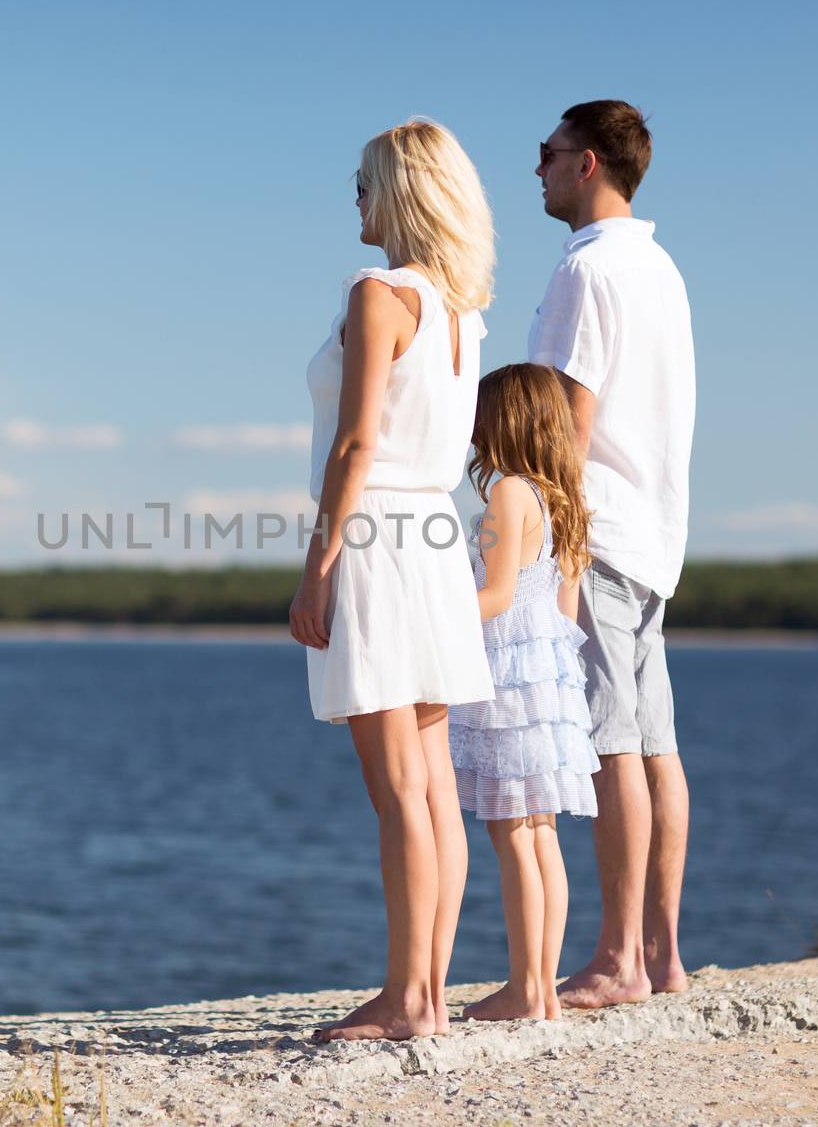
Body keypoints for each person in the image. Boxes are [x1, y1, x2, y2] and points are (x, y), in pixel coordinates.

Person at [290, 118, 496, 1042]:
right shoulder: (463, 314)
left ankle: (408, 999)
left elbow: (356, 440)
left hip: (378, 539)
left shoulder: (380, 295)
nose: (357, 200)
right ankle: (431, 992)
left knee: (397, 791)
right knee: (433, 786)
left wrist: (317, 565)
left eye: (366, 184)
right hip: (437, 541)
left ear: (403, 193)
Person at [527, 100, 696, 1008]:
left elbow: (569, 419)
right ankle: (663, 957)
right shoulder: (662, 269)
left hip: (596, 530)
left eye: (547, 152)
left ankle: (618, 960)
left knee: (610, 743)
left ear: (587, 163)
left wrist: (548, 540)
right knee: (655, 744)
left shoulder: (588, 272)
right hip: (655, 533)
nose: (537, 168)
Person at [451, 362, 601, 1022]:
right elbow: (564, 609)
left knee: (513, 834)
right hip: (552, 681)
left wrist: (432, 612)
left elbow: (496, 594)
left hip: (510, 676)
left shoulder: (510, 492)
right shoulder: (561, 499)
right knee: (541, 835)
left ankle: (525, 988)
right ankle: (542, 989)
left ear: (503, 421)